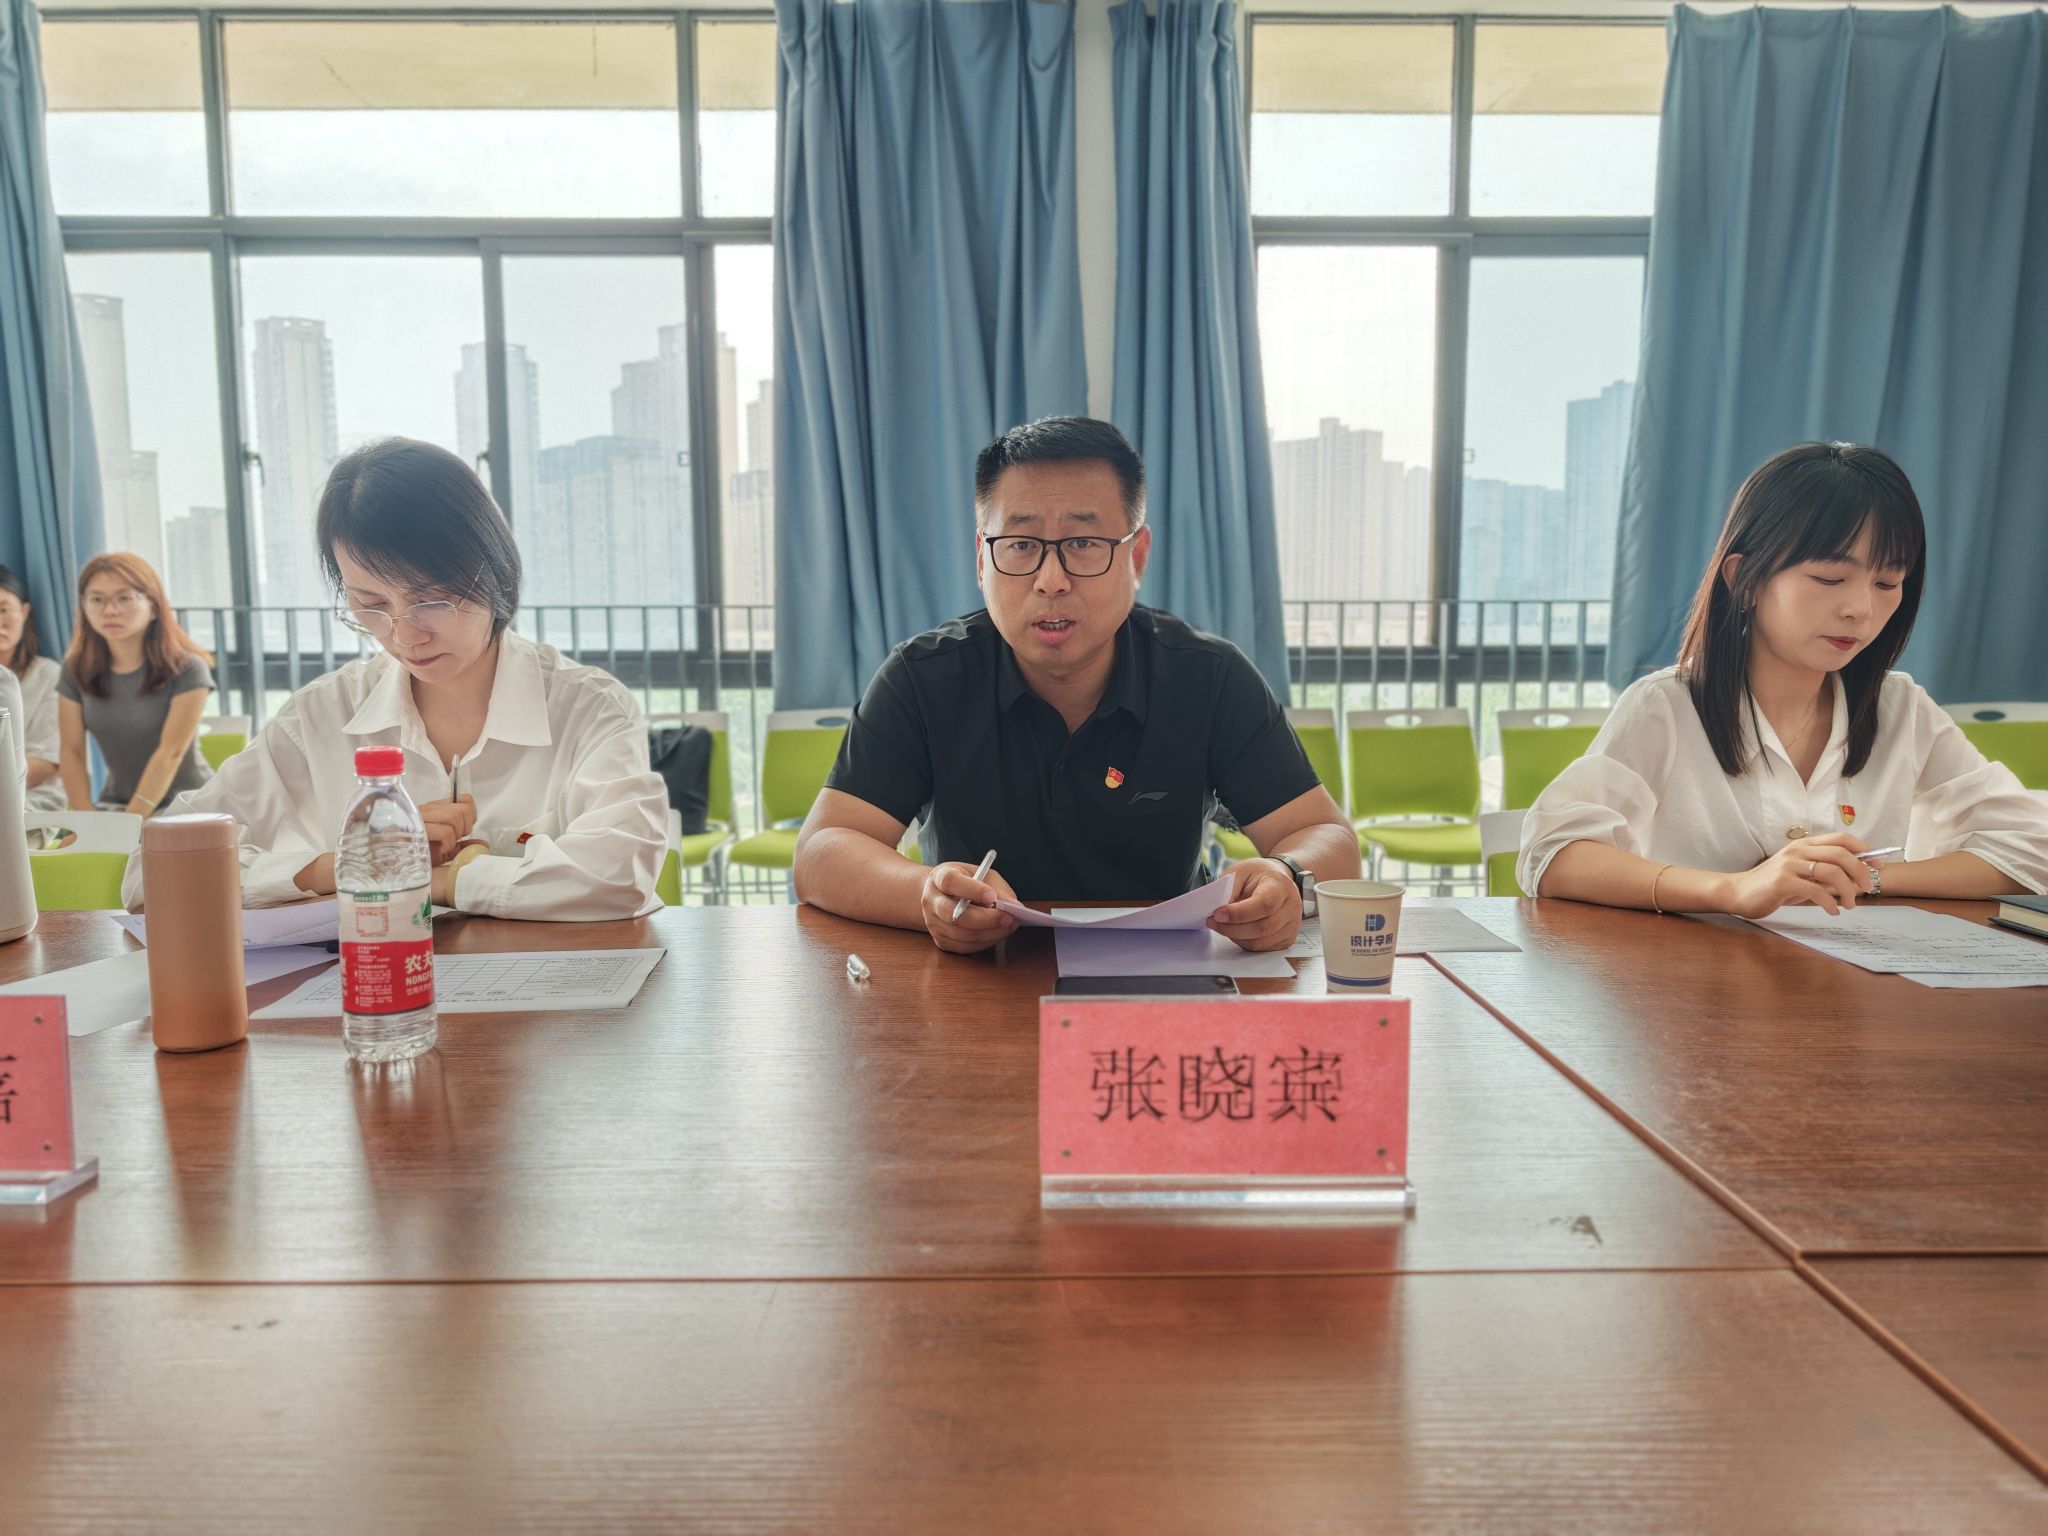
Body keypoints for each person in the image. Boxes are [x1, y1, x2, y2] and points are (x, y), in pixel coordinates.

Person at [793, 416, 1360, 954]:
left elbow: (1323, 834)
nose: (1051, 580)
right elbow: (821, 852)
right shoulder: (923, 678)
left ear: (1136, 556)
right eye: (1021, 544)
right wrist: (926, 896)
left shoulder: (1208, 677)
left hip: (1169, 968)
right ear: (982, 559)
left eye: (1083, 544)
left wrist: (1288, 877)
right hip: (978, 972)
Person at [121, 438, 667, 919]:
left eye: (432, 599)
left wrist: (440, 881)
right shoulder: (322, 716)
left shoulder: (588, 708)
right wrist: (345, 866)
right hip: (370, 994)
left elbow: (621, 873)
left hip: (547, 1000)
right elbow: (151, 872)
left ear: (495, 570)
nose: (405, 635)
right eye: (372, 605)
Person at [1521, 441, 2048, 914]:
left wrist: (1861, 878)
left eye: (1887, 582)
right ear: (1744, 580)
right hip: (1696, 983)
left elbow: (2032, 849)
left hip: (1847, 985)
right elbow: (1553, 854)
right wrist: (1733, 890)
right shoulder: (1669, 706)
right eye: (1830, 577)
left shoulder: (1899, 707)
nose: (1861, 609)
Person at [58, 553, 214, 818]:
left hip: (188, 806)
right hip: (117, 804)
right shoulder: (75, 670)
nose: (110, 610)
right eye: (96, 599)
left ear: (153, 606)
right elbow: (71, 751)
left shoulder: (189, 668)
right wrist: (86, 821)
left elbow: (171, 752)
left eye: (124, 598)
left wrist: (130, 823)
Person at [0, 565, 64, 812]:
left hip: (34, 802)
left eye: (4, 609)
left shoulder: (48, 675)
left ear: (24, 612)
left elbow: (47, 762)